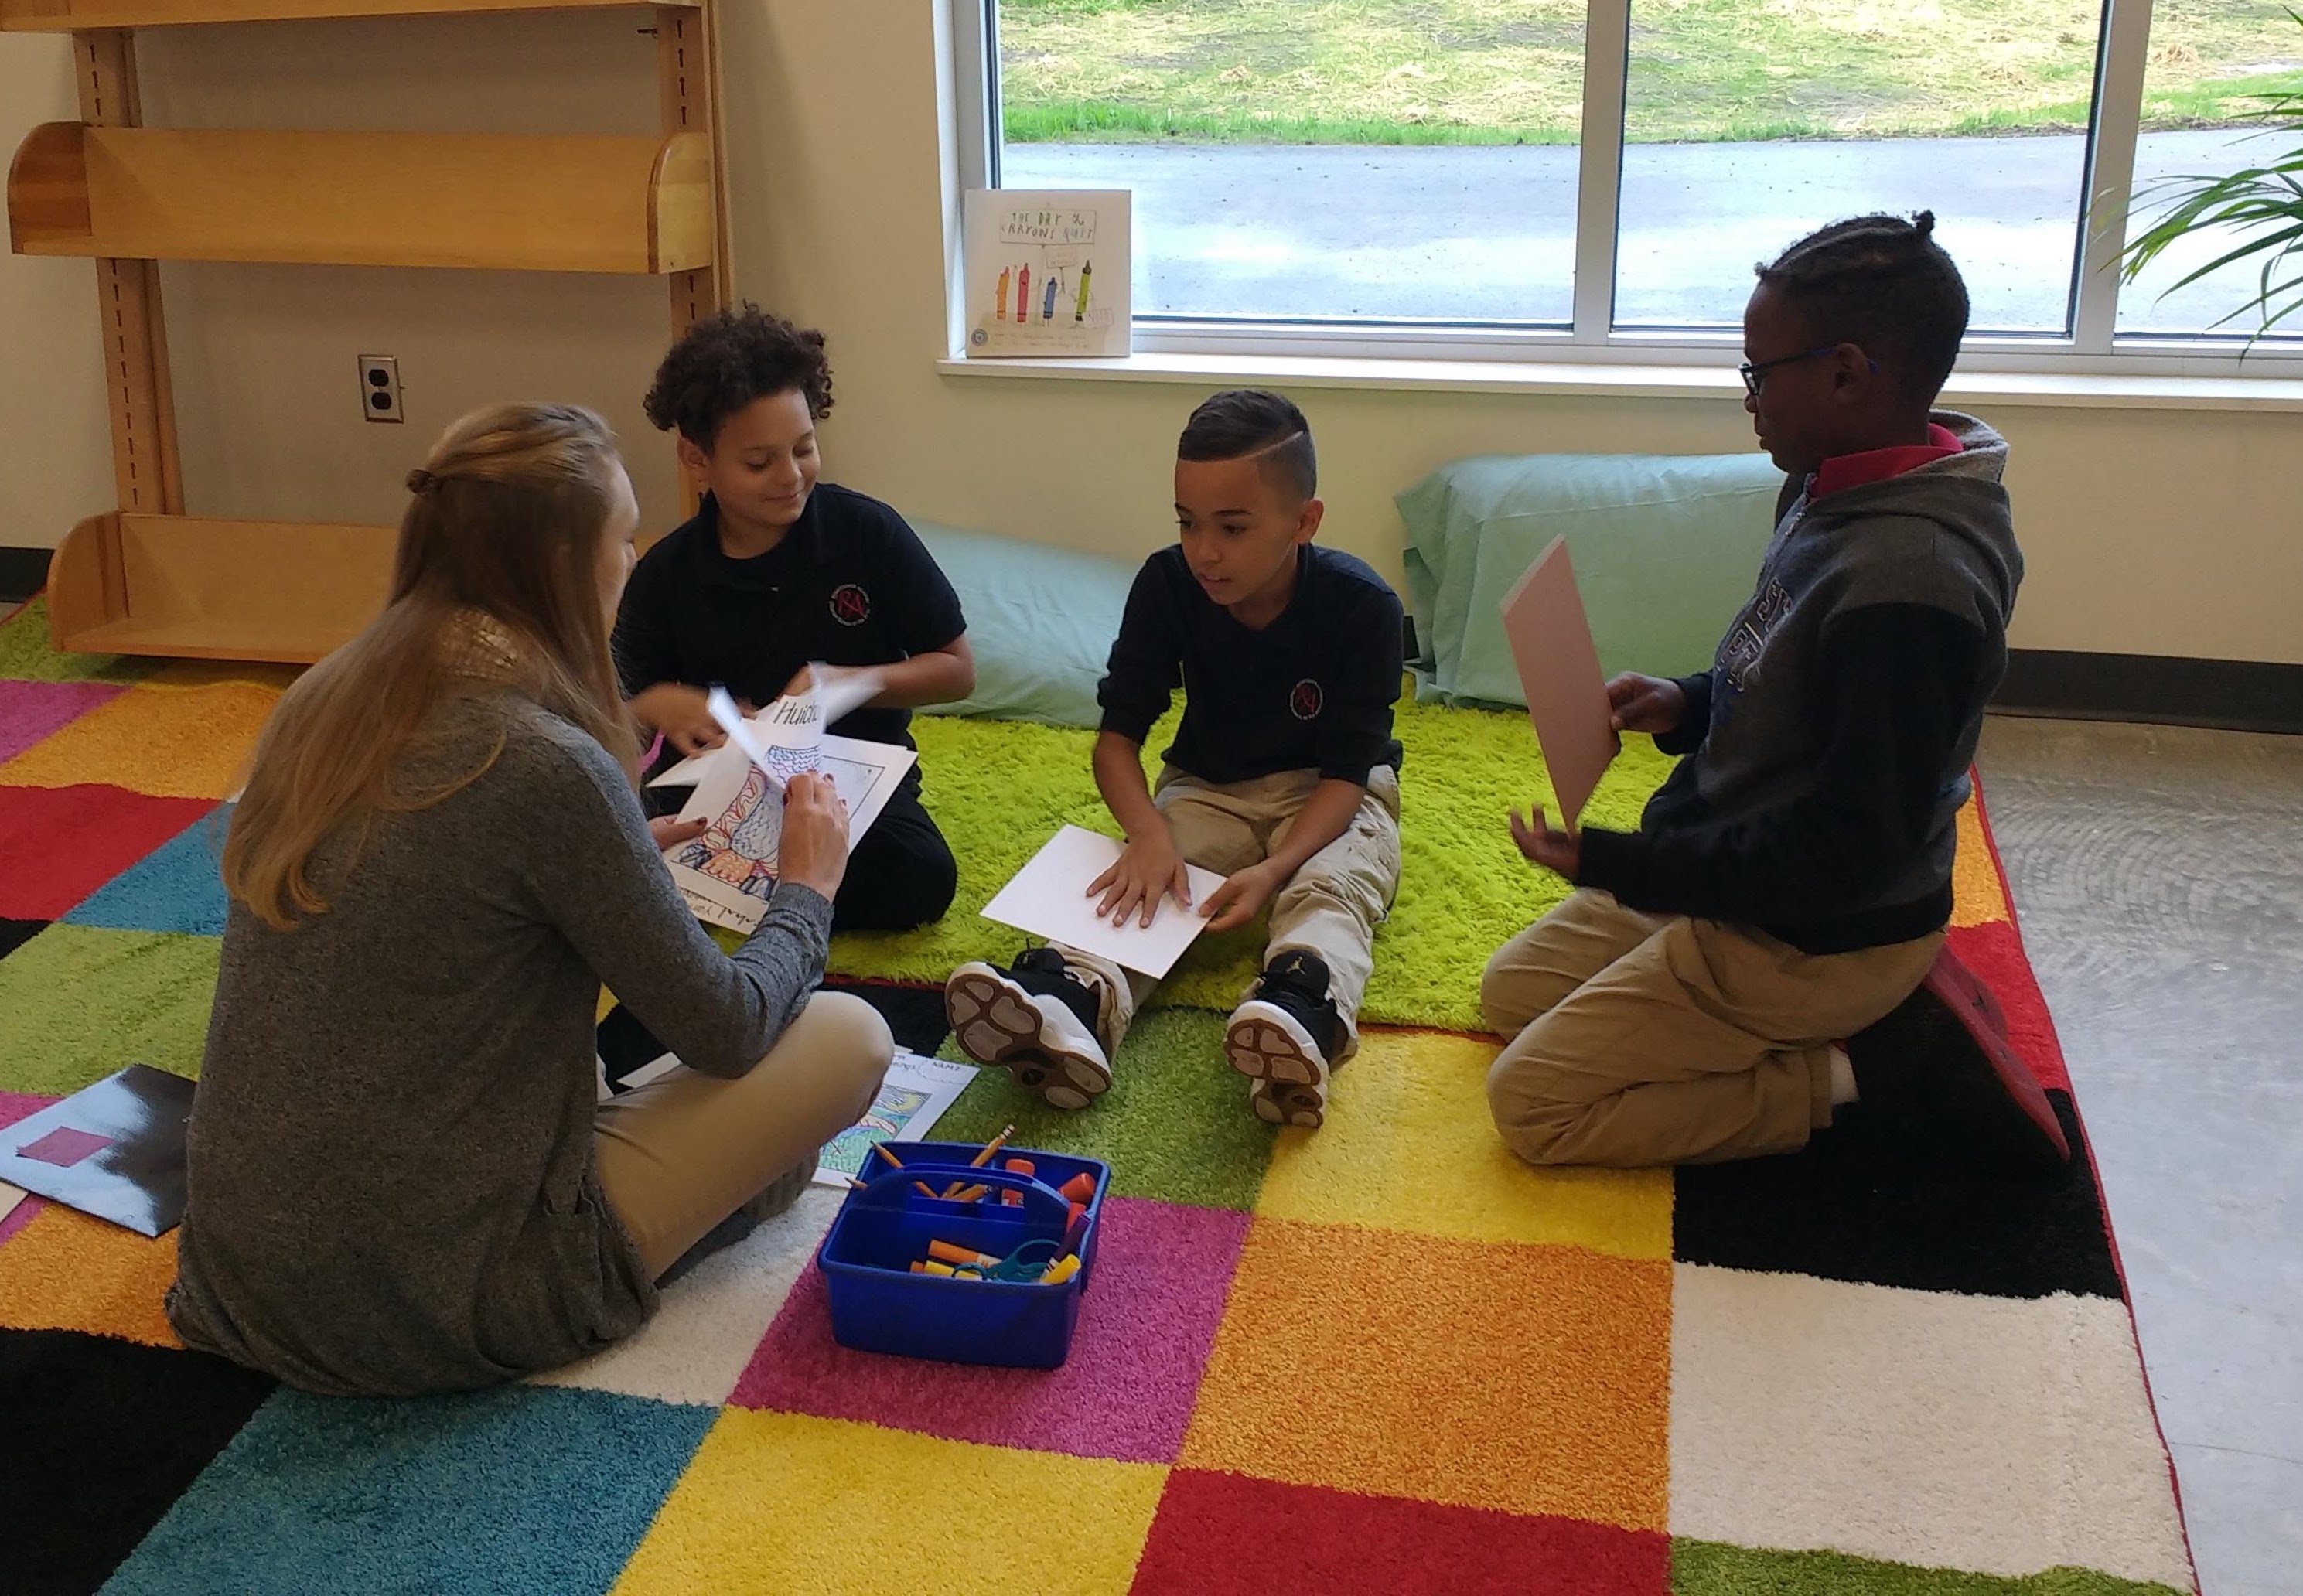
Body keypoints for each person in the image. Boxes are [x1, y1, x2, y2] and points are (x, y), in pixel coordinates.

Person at [167, 404, 894, 1397]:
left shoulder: (321, 698)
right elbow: (725, 1031)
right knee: (845, 1039)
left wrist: (613, 855)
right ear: (562, 561)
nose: (634, 559)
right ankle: (661, 1231)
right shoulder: (541, 761)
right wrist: (806, 891)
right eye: (624, 537)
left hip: (242, 1274)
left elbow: (433, 896)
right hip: (443, 1300)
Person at [1479, 211, 2067, 1171]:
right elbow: (1793, 679)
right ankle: (1771, 1011)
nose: (1745, 397)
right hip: (1735, 872)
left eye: (1758, 373)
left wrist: (1622, 864)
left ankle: (1862, 1068)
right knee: (1508, 995)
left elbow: (1842, 848)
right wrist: (1690, 700)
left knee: (1532, 1106)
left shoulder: (1910, 582)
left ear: (1845, 373)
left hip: (1813, 934)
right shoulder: (1832, 484)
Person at [944, 389, 1404, 1128]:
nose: (1205, 552)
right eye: (1188, 524)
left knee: (1331, 887)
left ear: (1304, 521)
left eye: (1233, 527)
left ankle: (1300, 1009)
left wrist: (1273, 871)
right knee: (1144, 885)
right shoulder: (1166, 584)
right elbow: (1116, 743)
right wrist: (1150, 837)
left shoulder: (1365, 608)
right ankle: (1074, 1002)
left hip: (1332, 793)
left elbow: (1349, 779)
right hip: (1208, 785)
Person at [612, 305, 974, 933]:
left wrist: (850, 681)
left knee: (921, 876)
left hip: (848, 780)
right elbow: (607, 710)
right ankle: (765, 885)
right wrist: (660, 705)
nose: (791, 477)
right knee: (614, 844)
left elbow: (957, 670)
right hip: (717, 787)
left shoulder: (866, 533)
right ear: (697, 460)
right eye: (759, 463)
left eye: (804, 449)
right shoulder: (668, 573)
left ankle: (748, 892)